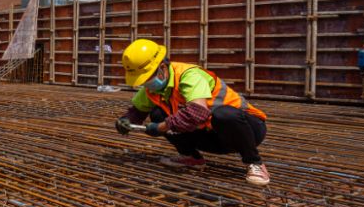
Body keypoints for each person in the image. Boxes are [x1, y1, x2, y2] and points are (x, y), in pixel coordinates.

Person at [114, 38, 271, 186]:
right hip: (213, 138)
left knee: (223, 115)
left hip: (247, 131)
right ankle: (192, 158)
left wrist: (161, 128)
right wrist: (126, 121)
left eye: (148, 78)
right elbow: (137, 111)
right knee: (157, 114)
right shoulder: (152, 89)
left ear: (162, 67)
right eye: (142, 81)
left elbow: (198, 111)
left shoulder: (188, 75)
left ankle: (255, 163)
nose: (147, 84)